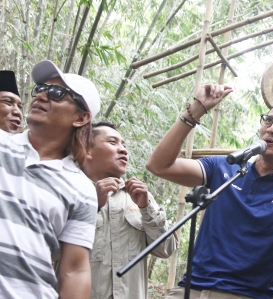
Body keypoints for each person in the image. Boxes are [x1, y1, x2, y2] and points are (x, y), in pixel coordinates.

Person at [146, 84, 273, 299]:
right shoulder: (226, 167)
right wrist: (194, 112)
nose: (271, 128)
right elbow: (159, 166)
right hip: (190, 290)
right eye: (269, 120)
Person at [0, 60, 100, 298]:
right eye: (40, 89)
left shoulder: (82, 188)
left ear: (81, 118)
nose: (41, 96)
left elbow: (74, 271)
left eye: (56, 93)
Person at [81, 121, 177, 299]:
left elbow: (166, 249)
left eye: (124, 145)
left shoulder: (139, 196)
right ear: (86, 150)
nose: (123, 150)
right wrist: (92, 206)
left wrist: (146, 208)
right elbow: (50, 250)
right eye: (112, 142)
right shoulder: (70, 191)